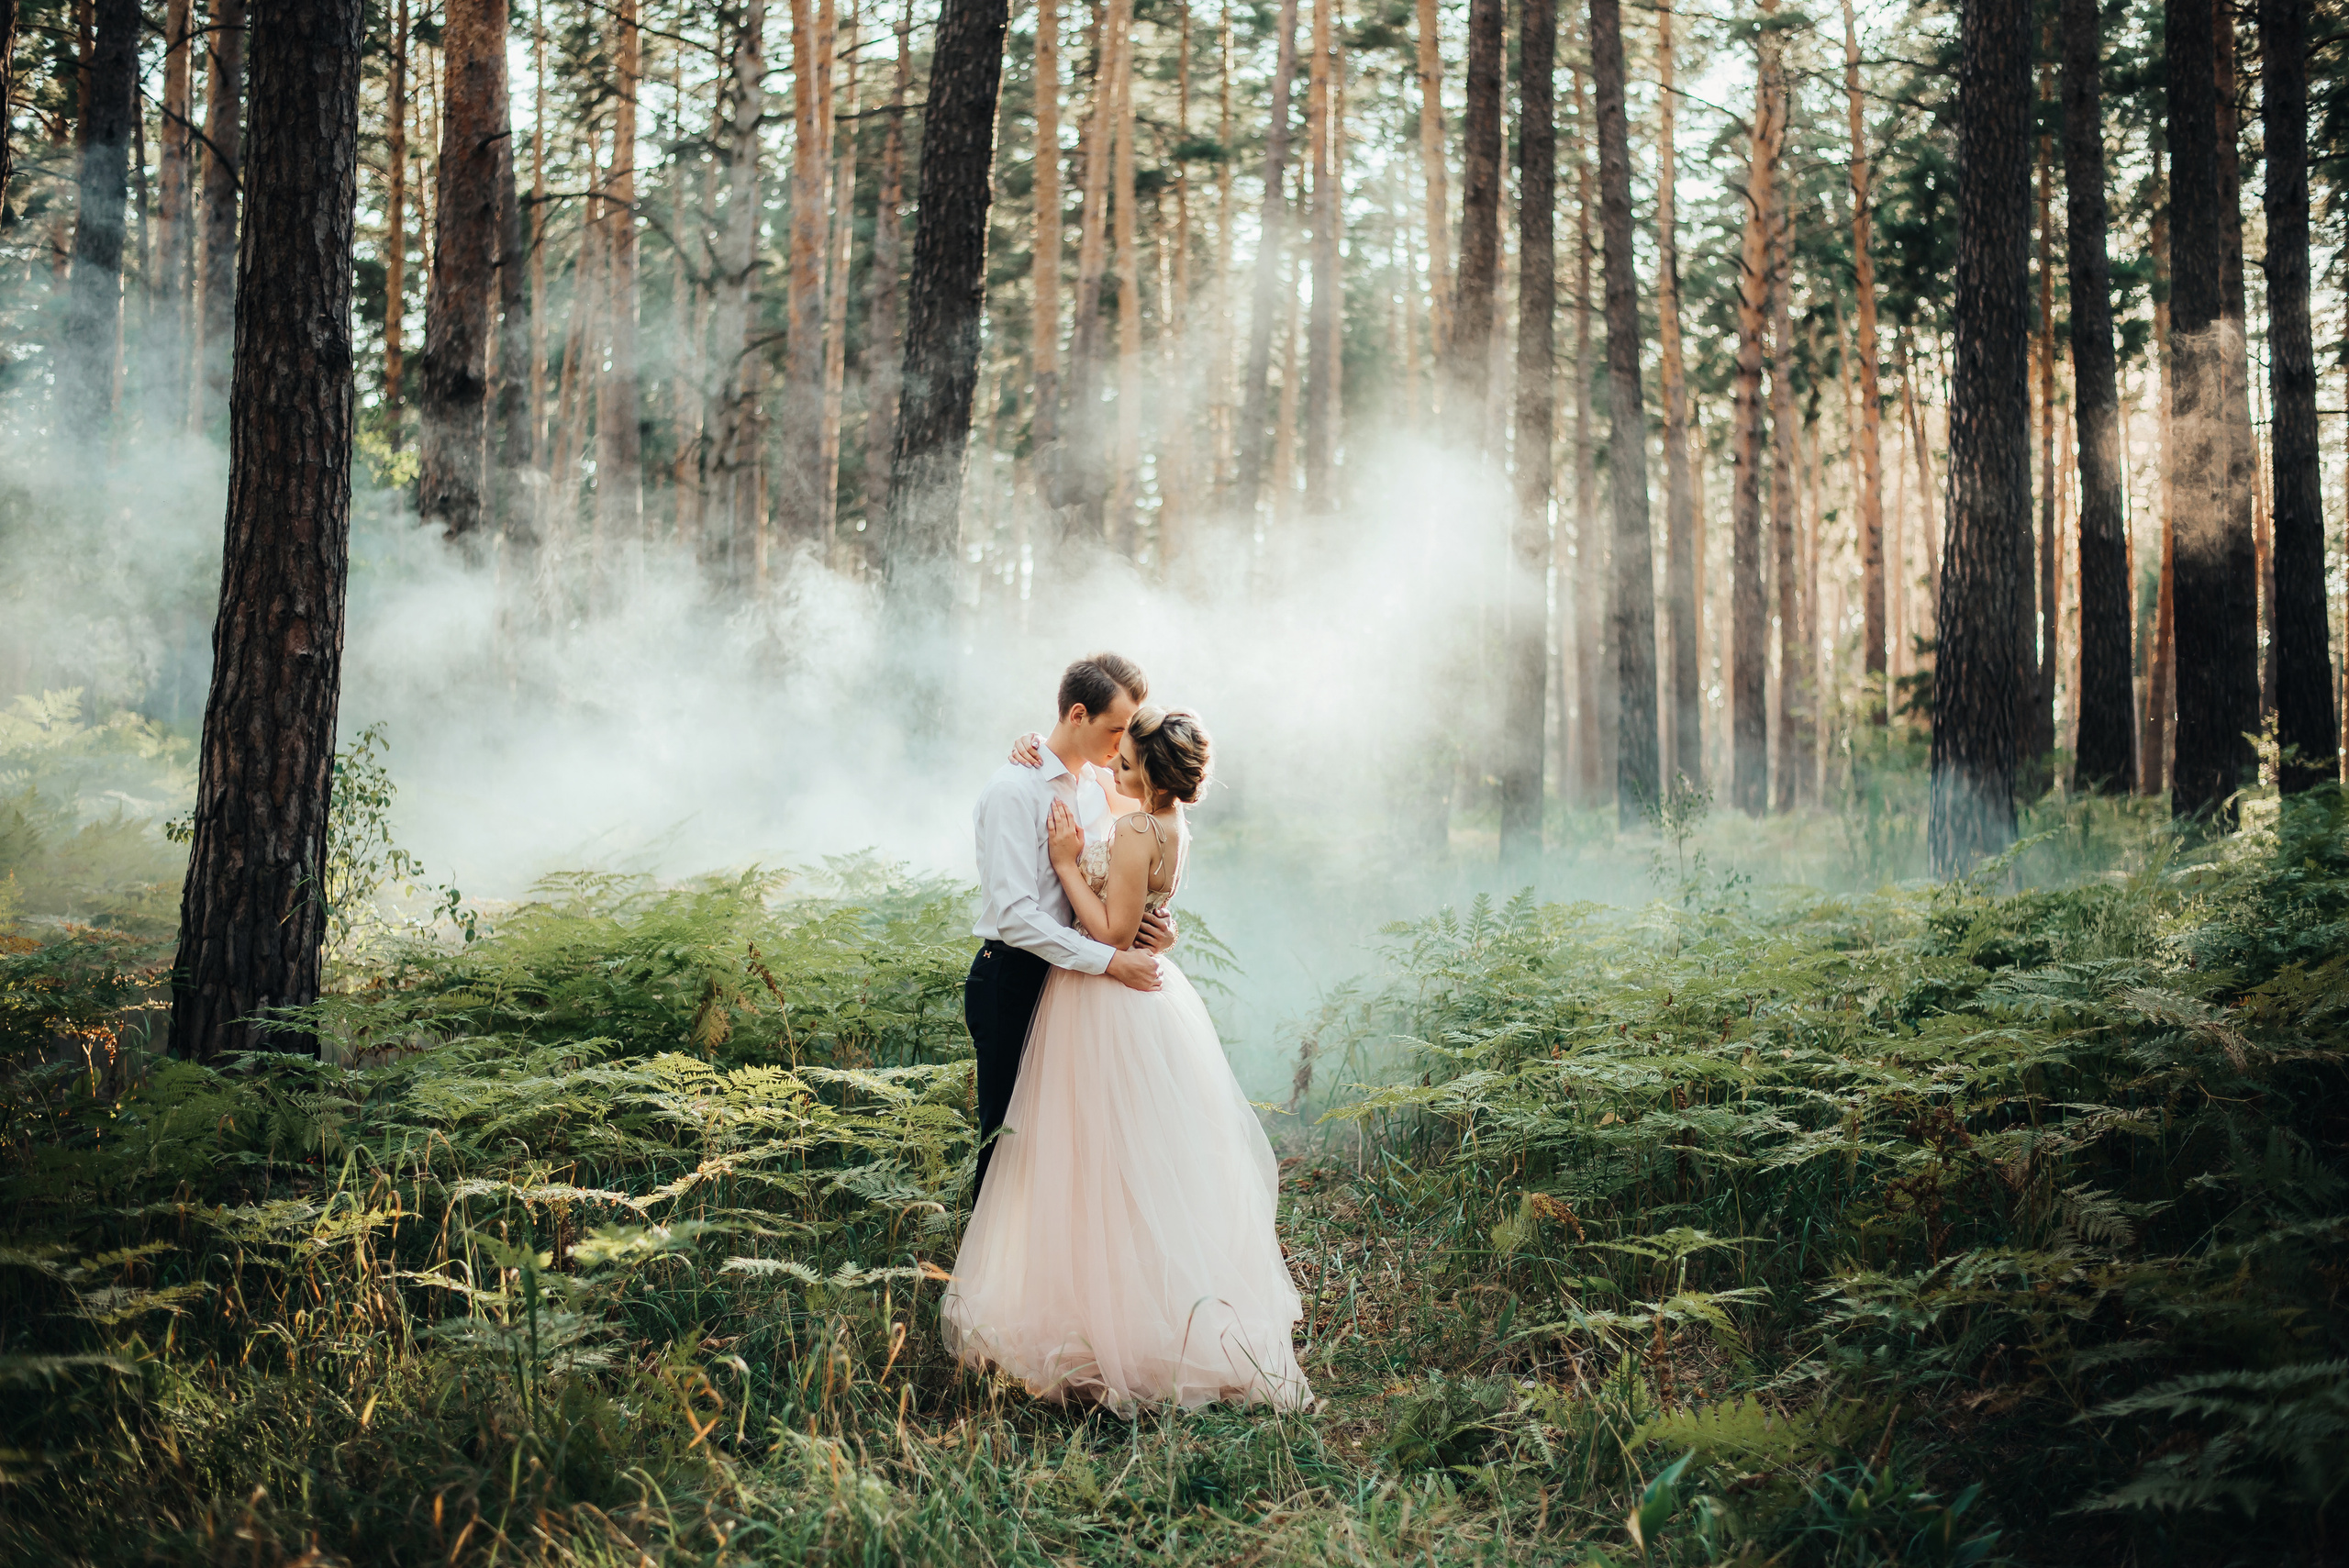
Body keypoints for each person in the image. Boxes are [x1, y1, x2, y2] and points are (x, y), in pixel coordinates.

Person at [942, 705, 1313, 1414]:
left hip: (1105, 995)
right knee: (1130, 1156)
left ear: (1145, 768)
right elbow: (1139, 893)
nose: (1114, 758)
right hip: (1143, 988)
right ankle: (1109, 1303)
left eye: (1125, 753)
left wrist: (1061, 862)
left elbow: (1112, 928)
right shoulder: (1167, 821)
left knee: (1092, 1157)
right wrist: (1027, 744)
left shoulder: (1139, 826)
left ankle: (1105, 1320)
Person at [964, 653, 1173, 1198]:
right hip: (1013, 979)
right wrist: (1111, 959)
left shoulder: (1097, 786)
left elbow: (1143, 866)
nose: (1125, 742)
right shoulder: (1015, 790)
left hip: (1076, 985)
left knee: (1068, 1143)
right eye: (1116, 729)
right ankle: (986, 1280)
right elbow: (1013, 916)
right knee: (1008, 1147)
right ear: (1078, 714)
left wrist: (1157, 926)